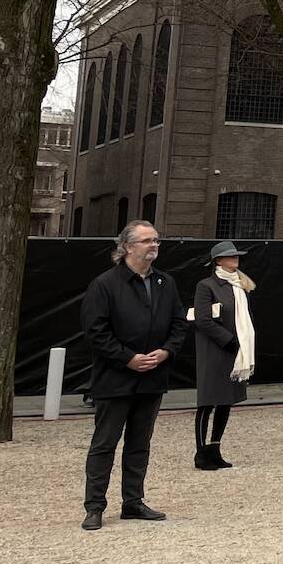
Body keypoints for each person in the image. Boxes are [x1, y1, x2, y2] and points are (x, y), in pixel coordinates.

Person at [80, 221, 185, 530]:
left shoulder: (166, 283)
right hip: (115, 379)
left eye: (156, 240)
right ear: (126, 247)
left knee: (140, 443)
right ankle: (95, 506)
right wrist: (127, 358)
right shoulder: (105, 284)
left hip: (152, 377)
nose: (153, 245)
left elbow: (179, 323)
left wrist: (166, 351)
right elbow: (95, 331)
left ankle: (133, 502)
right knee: (105, 444)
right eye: (146, 241)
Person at [191, 240, 256, 470]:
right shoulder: (206, 285)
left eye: (236, 256)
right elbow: (203, 319)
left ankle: (215, 448)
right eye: (230, 256)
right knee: (208, 402)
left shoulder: (239, 286)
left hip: (235, 352)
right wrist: (227, 339)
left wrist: (242, 343)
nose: (235, 259)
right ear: (219, 261)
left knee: (226, 401)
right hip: (215, 349)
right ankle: (200, 452)